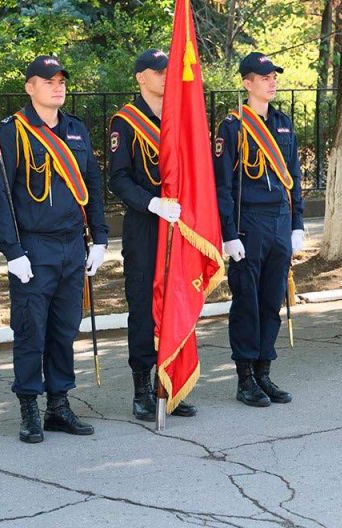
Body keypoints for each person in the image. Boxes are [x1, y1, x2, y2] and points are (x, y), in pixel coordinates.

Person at [0, 55, 109, 443]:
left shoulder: (76, 129)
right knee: (30, 329)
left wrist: (101, 238)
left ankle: (58, 405)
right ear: (30, 87)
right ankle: (29, 408)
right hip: (34, 248)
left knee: (63, 328)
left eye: (61, 81)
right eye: (48, 81)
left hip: (73, 245)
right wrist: (13, 251)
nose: (58, 87)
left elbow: (92, 185)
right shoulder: (12, 132)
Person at [108, 49, 197, 421]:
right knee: (144, 308)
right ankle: (143, 389)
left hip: (179, 226)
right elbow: (119, 178)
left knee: (177, 302)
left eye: (169, 70)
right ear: (140, 77)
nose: (165, 76)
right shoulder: (125, 121)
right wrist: (152, 203)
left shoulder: (180, 117)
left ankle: (170, 384)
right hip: (146, 225)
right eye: (158, 71)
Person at [214, 52, 303, 407]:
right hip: (248, 222)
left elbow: (294, 178)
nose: (272, 81)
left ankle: (265, 371)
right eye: (264, 77)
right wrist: (228, 233)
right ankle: (245, 377)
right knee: (247, 303)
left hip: (279, 220)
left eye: (274, 76)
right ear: (247, 83)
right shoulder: (232, 126)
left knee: (271, 300)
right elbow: (222, 185)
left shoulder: (283, 122)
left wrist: (297, 223)